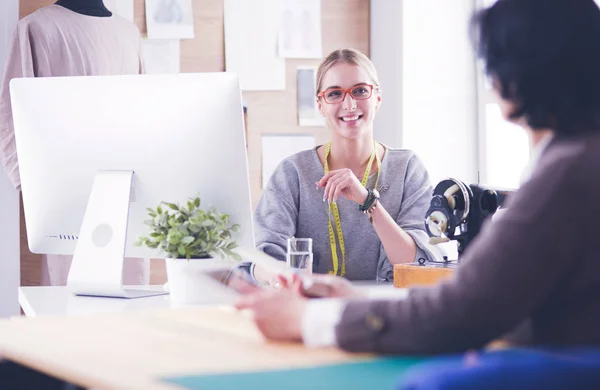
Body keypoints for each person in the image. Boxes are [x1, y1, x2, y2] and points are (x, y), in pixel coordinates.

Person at [237, 0, 600, 354]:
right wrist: (356, 302)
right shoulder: (578, 160)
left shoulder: (566, 176)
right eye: (335, 94)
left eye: (491, 64)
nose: (348, 105)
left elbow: (461, 310)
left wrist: (311, 319)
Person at [253, 48, 441, 282]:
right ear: (320, 105)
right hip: (312, 310)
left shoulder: (407, 169)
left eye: (361, 91)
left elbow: (412, 262)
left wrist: (368, 201)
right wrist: (287, 278)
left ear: (378, 98)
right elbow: (262, 258)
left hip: (384, 311)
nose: (350, 105)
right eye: (334, 94)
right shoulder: (293, 173)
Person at [0, 0, 147, 286]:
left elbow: (143, 110)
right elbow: (11, 111)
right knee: (70, 293)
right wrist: (30, 186)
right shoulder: (37, 28)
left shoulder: (128, 33)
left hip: (127, 189)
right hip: (66, 190)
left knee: (128, 292)